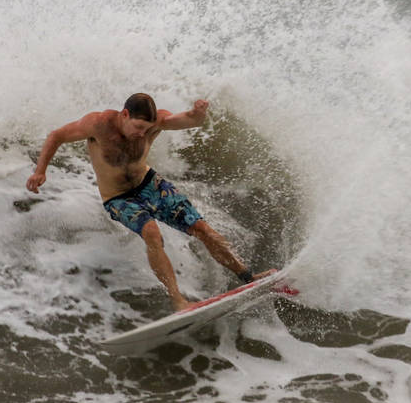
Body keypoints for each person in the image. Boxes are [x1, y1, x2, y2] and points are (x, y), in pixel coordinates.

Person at [26, 93, 272, 312]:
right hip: (118, 198)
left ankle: (248, 277)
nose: (142, 134)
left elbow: (187, 120)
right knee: (152, 233)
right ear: (125, 114)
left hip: (150, 185)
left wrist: (198, 114)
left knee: (202, 229)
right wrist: (40, 171)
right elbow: (56, 135)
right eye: (138, 127)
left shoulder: (155, 123)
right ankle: (179, 302)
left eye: (147, 129)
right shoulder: (98, 124)